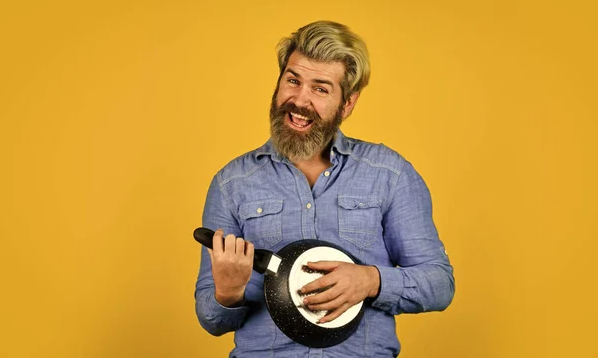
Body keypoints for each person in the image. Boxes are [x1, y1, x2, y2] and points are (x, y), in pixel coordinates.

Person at [195, 20, 455, 357]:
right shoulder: (232, 184)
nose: (300, 100)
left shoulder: (389, 174)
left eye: (320, 88)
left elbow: (439, 283)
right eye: (293, 80)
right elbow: (210, 317)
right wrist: (228, 292)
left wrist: (371, 281)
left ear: (347, 103)